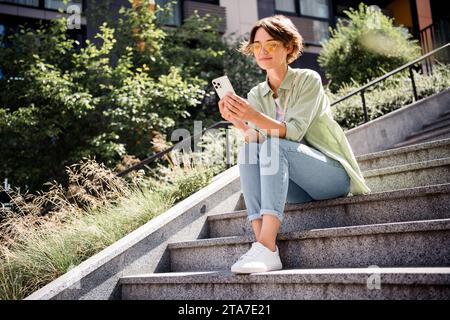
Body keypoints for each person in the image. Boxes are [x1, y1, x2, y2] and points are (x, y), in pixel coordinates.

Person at [218, 15, 371, 274]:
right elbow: (258, 144)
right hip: (293, 185)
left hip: (329, 176)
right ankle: (261, 245)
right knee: (248, 152)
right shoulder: (257, 94)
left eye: (272, 44)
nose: (262, 51)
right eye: (257, 46)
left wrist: (252, 116)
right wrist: (240, 123)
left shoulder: (307, 80)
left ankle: (267, 246)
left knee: (274, 146)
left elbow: (293, 133)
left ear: (289, 47)